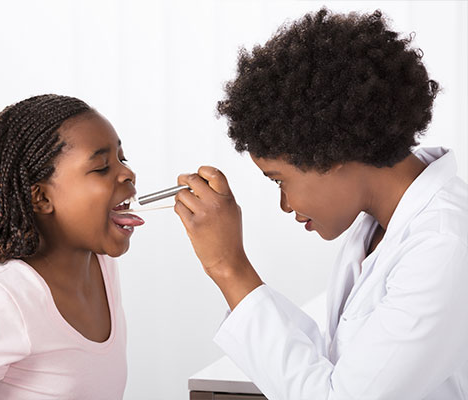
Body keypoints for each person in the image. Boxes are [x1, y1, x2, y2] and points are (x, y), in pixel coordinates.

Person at [174, 8, 468, 399]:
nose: (285, 204)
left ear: (332, 154)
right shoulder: (376, 225)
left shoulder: (445, 244)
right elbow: (339, 362)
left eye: (279, 180)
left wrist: (228, 267)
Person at [0, 94, 144, 399]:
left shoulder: (102, 266)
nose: (127, 173)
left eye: (122, 159)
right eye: (101, 167)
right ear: (41, 198)